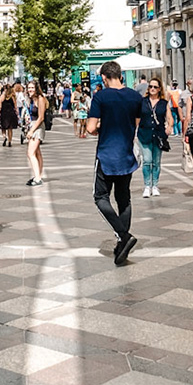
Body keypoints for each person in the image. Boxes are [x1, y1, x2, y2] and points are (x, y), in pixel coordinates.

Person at [86, 60, 148, 265]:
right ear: (120, 76)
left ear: (104, 78)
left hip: (106, 154)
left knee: (100, 197)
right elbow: (136, 123)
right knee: (124, 199)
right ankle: (122, 247)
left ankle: (123, 235)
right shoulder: (134, 96)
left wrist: (103, 123)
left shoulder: (101, 96)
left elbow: (90, 128)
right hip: (126, 154)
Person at [138, 74, 177, 198]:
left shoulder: (163, 103)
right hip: (144, 134)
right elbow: (136, 117)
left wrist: (169, 126)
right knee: (147, 160)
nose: (152, 89)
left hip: (159, 135)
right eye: (150, 86)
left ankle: (155, 185)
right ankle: (147, 186)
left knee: (156, 162)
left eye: (155, 87)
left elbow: (169, 117)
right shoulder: (142, 102)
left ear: (160, 89)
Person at [24, 79, 50, 186]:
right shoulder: (32, 99)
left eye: (32, 88)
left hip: (37, 127)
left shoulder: (40, 99)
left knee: (30, 153)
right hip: (33, 125)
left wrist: (31, 130)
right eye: (29, 88)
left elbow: (41, 117)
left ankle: (38, 178)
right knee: (37, 152)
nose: (30, 90)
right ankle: (37, 175)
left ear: (36, 89)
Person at [0, 82, 19, 147]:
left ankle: (4, 137)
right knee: (10, 128)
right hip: (11, 113)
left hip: (4, 113)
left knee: (3, 127)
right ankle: (10, 141)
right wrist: (17, 113)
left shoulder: (2, 96)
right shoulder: (12, 96)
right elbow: (15, 106)